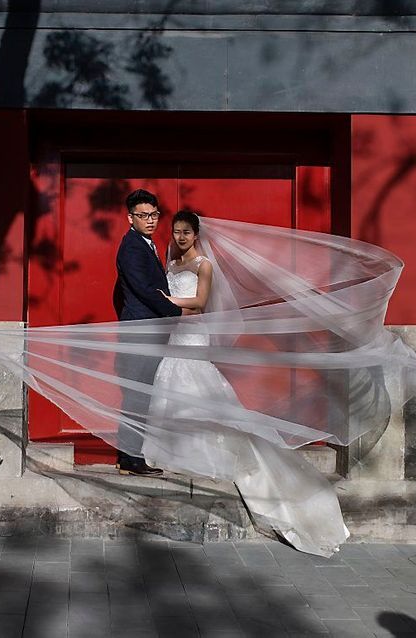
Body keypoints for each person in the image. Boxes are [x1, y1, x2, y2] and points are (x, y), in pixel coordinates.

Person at [150, 211, 350, 556]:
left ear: (197, 235)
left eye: (186, 232)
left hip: (192, 332)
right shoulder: (171, 258)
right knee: (171, 381)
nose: (180, 237)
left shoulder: (204, 265)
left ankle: (219, 453)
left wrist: (167, 303)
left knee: (197, 385)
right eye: (177, 231)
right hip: (174, 334)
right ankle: (176, 448)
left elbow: (198, 303)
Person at [113, 189, 182, 477]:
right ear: (130, 218)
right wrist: (175, 312)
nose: (150, 220)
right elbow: (143, 288)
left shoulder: (146, 244)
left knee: (140, 395)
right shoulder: (131, 247)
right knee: (137, 396)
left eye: (154, 215)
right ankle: (132, 459)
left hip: (148, 330)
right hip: (141, 332)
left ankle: (127, 457)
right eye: (143, 216)